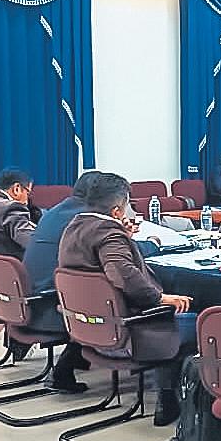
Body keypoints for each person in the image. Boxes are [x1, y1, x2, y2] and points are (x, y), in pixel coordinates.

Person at [58, 173, 194, 426]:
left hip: (89, 328)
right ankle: (168, 400)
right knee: (198, 322)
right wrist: (160, 298)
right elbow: (122, 274)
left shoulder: (75, 226)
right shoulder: (108, 233)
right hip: (127, 330)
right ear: (117, 210)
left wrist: (126, 239)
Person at [23, 170, 162, 393]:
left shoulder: (65, 215)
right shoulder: (94, 223)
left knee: (97, 292)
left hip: (53, 298)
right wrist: (150, 244)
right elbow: (120, 266)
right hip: (57, 305)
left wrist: (123, 235)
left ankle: (72, 363)